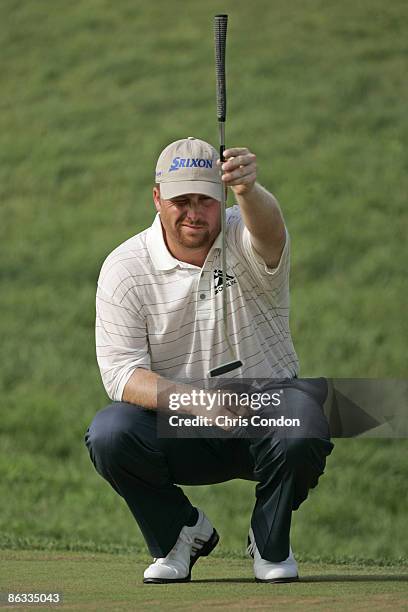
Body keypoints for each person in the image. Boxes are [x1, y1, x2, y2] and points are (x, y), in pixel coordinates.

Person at [85, 136, 333, 584]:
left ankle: (269, 539)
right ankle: (179, 534)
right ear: (157, 197)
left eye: (206, 199)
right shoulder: (125, 268)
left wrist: (248, 190)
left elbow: (271, 233)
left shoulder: (243, 231)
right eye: (181, 200)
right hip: (182, 421)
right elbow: (122, 376)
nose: (194, 212)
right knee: (109, 433)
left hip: (264, 410)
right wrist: (195, 402)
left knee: (305, 422)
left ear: (221, 199)